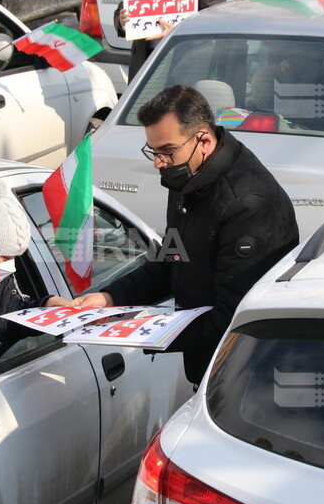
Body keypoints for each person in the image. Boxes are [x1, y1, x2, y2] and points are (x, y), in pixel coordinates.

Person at [70, 85, 299, 384]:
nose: (158, 163)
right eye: (153, 151)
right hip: (208, 364)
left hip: (244, 379)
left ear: (203, 140)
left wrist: (142, 330)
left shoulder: (248, 204)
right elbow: (171, 258)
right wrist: (110, 297)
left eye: (166, 151)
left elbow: (234, 319)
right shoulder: (189, 176)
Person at [0, 179, 69, 363]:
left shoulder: (2, 281)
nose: (11, 266)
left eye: (15, 258)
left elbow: (12, 317)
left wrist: (45, 307)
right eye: (5, 258)